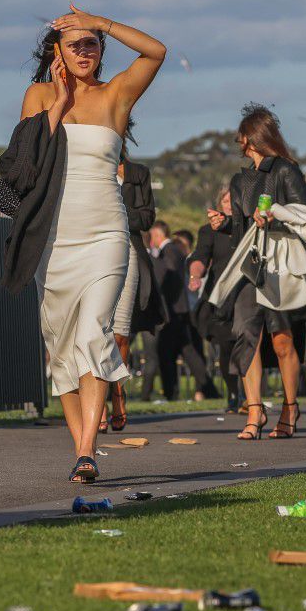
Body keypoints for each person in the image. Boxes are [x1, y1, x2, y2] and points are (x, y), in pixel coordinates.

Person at [8, 5, 166, 483]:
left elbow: (156, 52)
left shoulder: (117, 93)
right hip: (53, 238)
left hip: (105, 234)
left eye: (91, 43)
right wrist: (56, 106)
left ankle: (86, 451)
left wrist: (102, 22)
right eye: (74, 43)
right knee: (60, 348)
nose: (84, 51)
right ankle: (82, 445)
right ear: (56, 51)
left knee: (93, 332)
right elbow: (23, 164)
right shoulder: (38, 94)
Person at [206, 104, 306, 440]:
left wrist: (276, 213)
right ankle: (255, 411)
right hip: (252, 264)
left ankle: (290, 407)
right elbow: (242, 231)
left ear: (251, 137)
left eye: (242, 135)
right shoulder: (239, 180)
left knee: (282, 339)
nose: (238, 141)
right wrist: (225, 223)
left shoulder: (287, 171)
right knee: (247, 336)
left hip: (281, 264)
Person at [105, 150, 164, 432]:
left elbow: (147, 217)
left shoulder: (137, 174)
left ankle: (117, 394)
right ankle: (99, 401)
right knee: (95, 331)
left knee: (120, 332)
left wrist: (115, 210)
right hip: (95, 249)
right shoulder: (90, 167)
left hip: (128, 249)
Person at [188, 187, 241, 412]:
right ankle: (233, 394)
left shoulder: (248, 227)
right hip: (221, 297)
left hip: (246, 292)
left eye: (233, 200)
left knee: (248, 345)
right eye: (225, 200)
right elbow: (200, 257)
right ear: (220, 203)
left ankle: (251, 395)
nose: (229, 204)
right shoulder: (208, 231)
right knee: (226, 348)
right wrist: (195, 276)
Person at [152, 222, 217, 402]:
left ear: (157, 235)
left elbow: (168, 276)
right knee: (189, 353)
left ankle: (171, 393)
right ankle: (208, 389)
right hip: (179, 311)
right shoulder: (172, 251)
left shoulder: (169, 251)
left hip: (174, 311)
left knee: (165, 354)